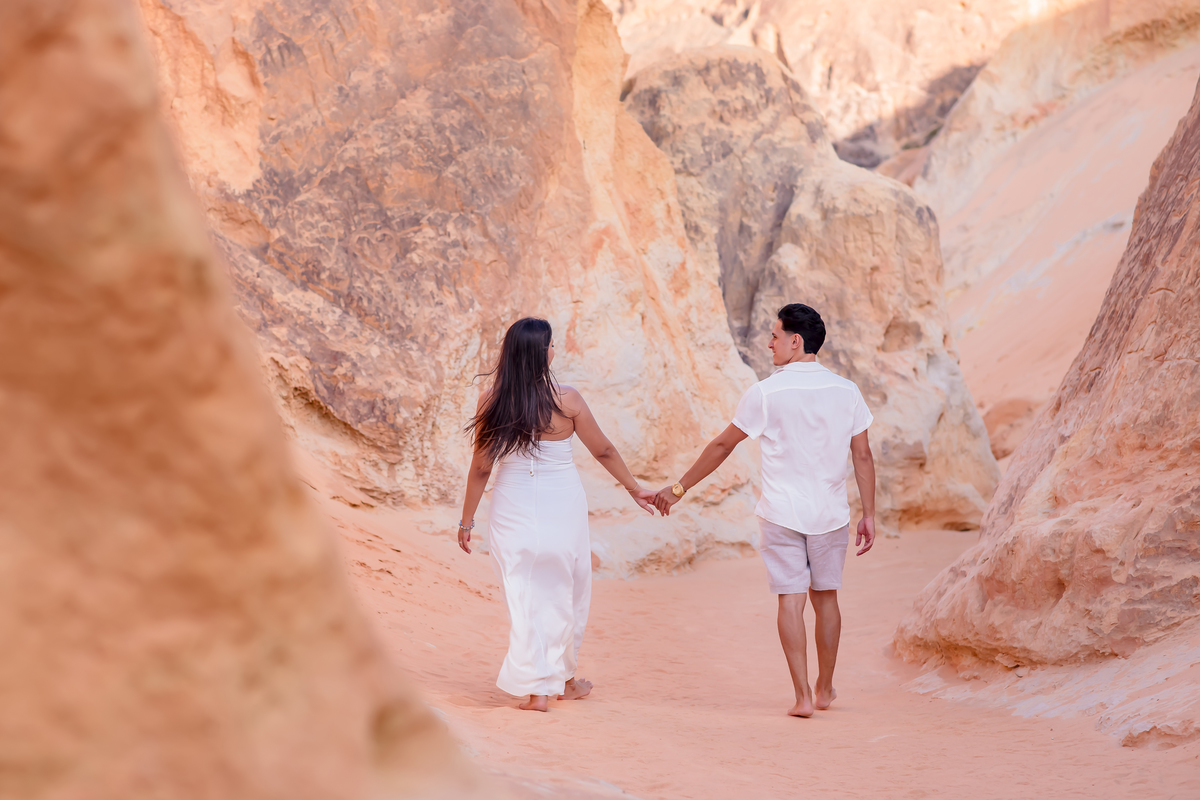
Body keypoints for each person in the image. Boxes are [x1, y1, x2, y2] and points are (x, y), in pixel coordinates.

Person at [653, 303, 876, 718]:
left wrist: (680, 487)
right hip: (830, 514)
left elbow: (723, 445)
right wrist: (870, 514)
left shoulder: (765, 392)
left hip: (780, 514)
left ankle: (802, 697)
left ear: (796, 341)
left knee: (790, 599)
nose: (769, 342)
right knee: (827, 598)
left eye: (775, 335)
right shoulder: (847, 391)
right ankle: (825, 688)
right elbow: (862, 456)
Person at [457, 317, 657, 712]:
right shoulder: (568, 400)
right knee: (567, 586)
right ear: (539, 353)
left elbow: (481, 467)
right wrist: (635, 488)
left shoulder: (491, 398)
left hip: (512, 502)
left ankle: (551, 684)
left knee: (525, 590)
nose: (554, 351)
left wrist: (466, 521)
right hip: (561, 502)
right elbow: (604, 451)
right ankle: (549, 685)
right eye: (551, 345)